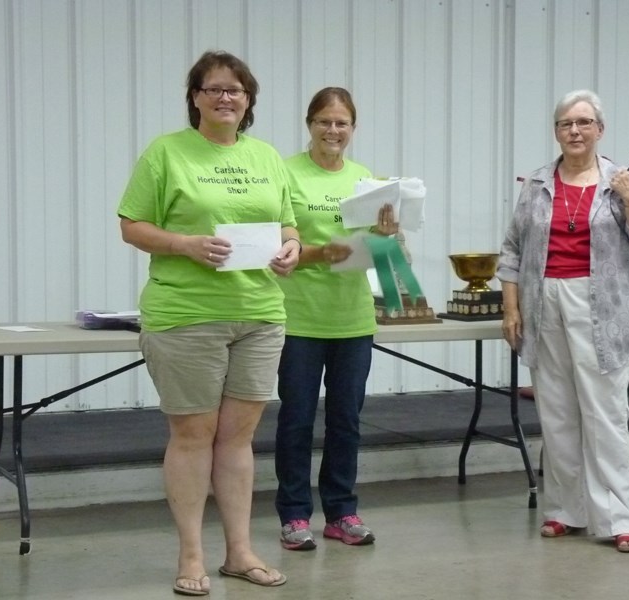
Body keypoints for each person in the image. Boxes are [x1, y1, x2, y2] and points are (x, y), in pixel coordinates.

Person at [117, 50, 298, 595]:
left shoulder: (267, 157)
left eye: (236, 91)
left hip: (260, 315)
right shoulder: (166, 153)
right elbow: (132, 225)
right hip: (186, 316)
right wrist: (184, 244)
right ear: (195, 96)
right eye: (215, 88)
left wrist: (291, 249)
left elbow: (289, 226)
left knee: (238, 438)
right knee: (193, 435)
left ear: (249, 102)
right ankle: (191, 556)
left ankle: (239, 551)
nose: (226, 98)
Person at [497, 89, 629, 553]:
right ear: (556, 131)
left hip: (602, 309)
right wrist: (511, 308)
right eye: (566, 123)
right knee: (557, 414)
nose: (575, 131)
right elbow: (511, 250)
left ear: (600, 130)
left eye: (584, 122)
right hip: (542, 304)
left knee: (605, 415)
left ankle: (621, 519)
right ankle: (564, 512)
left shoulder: (619, 181)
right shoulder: (536, 184)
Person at [274, 87, 397, 551]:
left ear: (352, 128)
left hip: (352, 318)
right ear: (310, 124)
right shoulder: (285, 174)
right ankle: (293, 515)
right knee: (297, 419)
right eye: (324, 121)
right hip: (299, 317)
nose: (333, 131)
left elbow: (377, 253)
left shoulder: (366, 179)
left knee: (346, 420)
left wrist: (386, 235)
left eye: (341, 123)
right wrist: (322, 252)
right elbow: (277, 249)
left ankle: (341, 511)